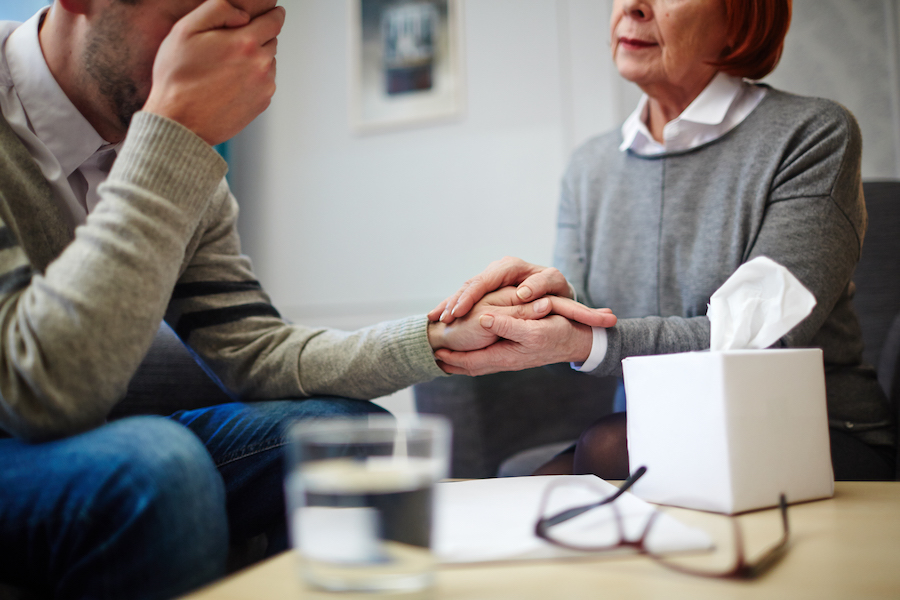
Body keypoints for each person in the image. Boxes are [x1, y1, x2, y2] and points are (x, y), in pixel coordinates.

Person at [0, 1, 617, 598]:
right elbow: (39, 393)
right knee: (156, 469)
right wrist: (177, 131)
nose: (221, 51)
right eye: (197, 18)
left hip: (89, 439)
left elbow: (251, 349)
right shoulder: (171, 140)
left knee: (356, 440)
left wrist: (439, 336)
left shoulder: (169, 150)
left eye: (249, 22)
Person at [429, 0, 896, 481]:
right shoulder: (589, 167)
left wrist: (585, 338)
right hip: (647, 431)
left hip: (816, 432)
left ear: (740, 20)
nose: (632, 6)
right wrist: (532, 311)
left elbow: (753, 338)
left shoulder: (814, 134)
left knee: (606, 450)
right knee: (524, 504)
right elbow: (572, 347)